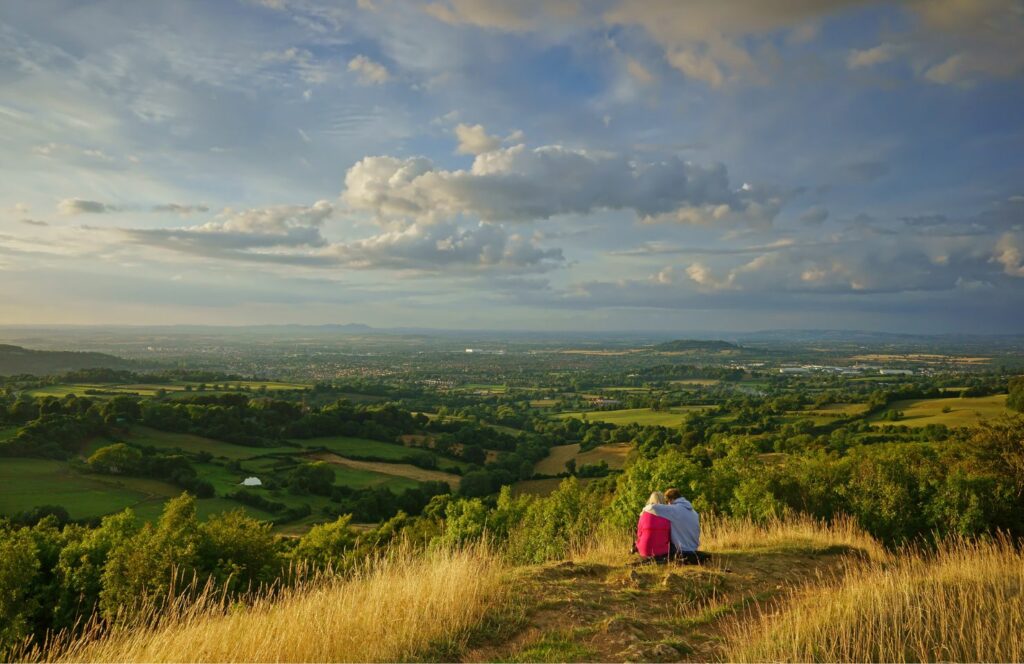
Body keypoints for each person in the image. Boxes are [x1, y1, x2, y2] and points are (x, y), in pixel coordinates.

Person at [643, 488, 708, 564]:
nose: (667, 504)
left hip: (681, 550)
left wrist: (644, 509)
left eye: (667, 502)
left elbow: (652, 507)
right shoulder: (694, 512)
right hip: (693, 548)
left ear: (671, 500)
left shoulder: (673, 509)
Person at [634, 491, 672, 562]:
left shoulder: (643, 514)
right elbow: (670, 536)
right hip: (662, 552)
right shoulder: (667, 515)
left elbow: (639, 535)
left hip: (644, 551)